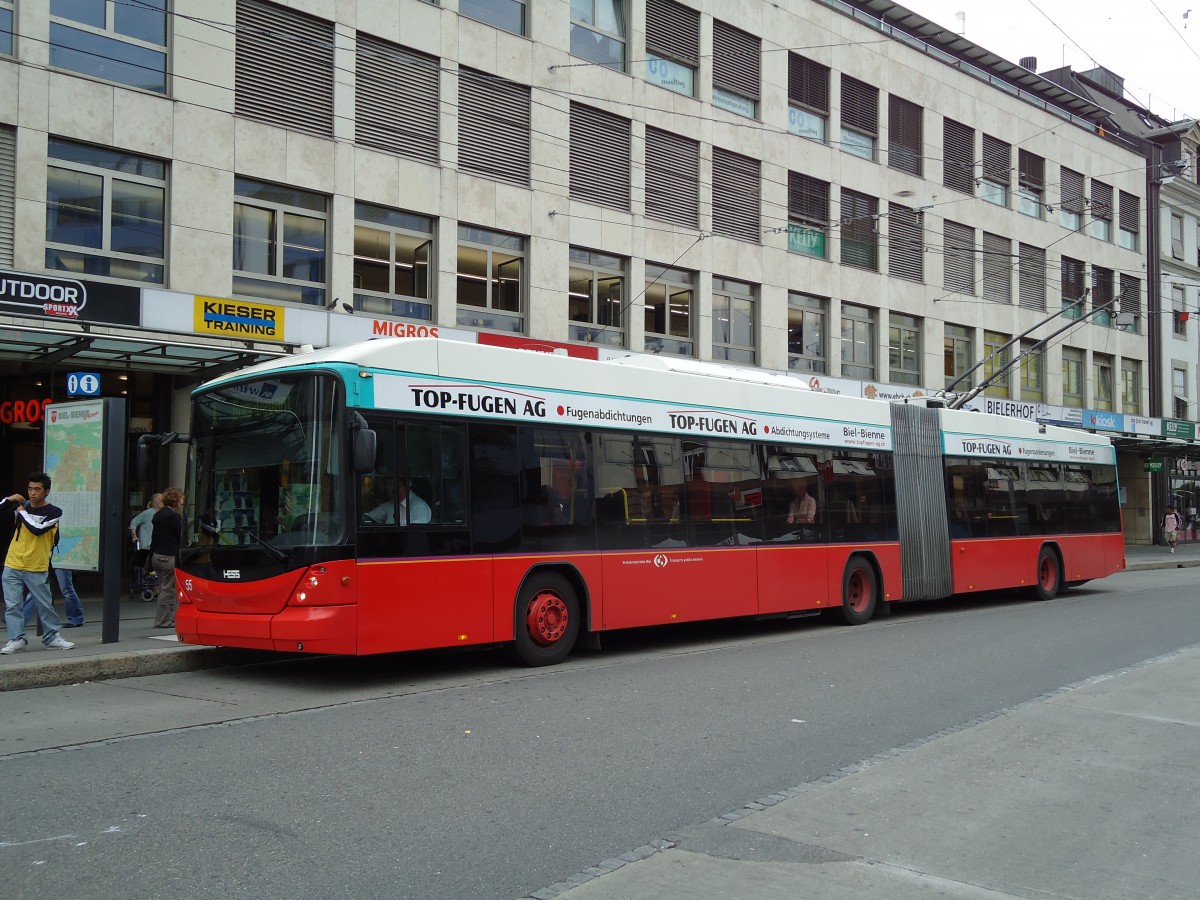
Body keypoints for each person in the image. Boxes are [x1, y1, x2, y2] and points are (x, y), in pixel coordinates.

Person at [1, 473, 75, 654]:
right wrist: (7, 500)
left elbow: (37, 529)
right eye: (30, 489)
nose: (32, 493)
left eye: (37, 489)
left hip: (37, 565)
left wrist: (22, 513)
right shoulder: (22, 508)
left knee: (44, 604)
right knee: (12, 605)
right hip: (13, 562)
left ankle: (51, 637)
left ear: (46, 491)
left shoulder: (54, 512)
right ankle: (17, 639)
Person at [150, 487, 184, 629]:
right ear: (176, 500)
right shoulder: (173, 517)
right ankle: (163, 621)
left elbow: (155, 538)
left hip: (157, 556)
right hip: (169, 556)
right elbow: (180, 536)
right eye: (181, 498)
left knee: (164, 587)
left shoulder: (158, 516)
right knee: (168, 589)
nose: (182, 501)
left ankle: (169, 618)